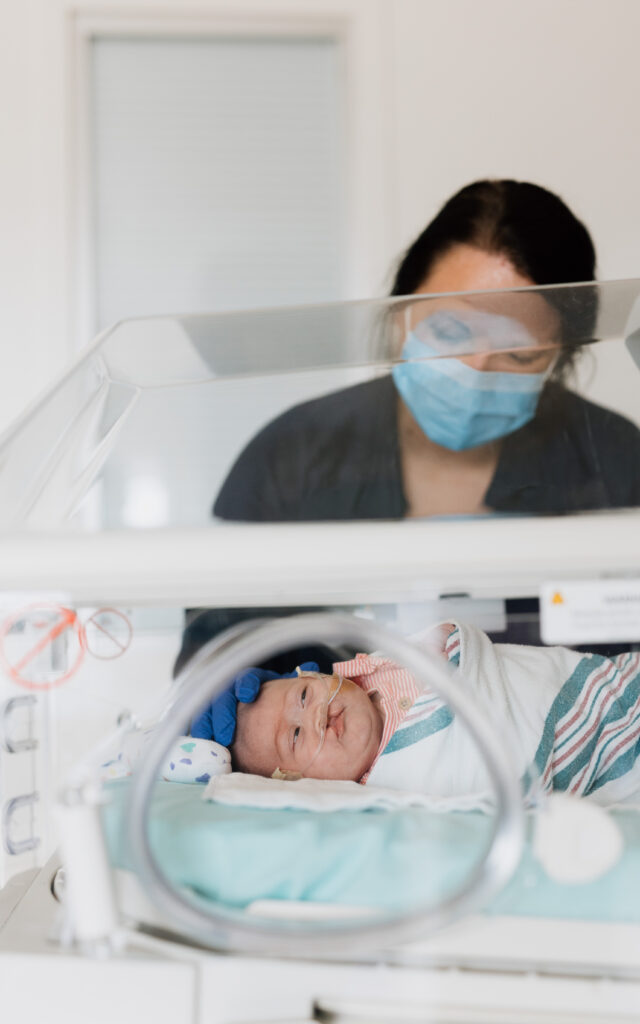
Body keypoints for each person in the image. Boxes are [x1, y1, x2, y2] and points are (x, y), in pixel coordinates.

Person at [214, 179, 640, 522]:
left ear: (562, 357)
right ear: (399, 313)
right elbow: (225, 627)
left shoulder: (616, 461)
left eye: (519, 354)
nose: (475, 369)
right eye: (451, 333)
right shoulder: (293, 455)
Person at [224, 622, 640, 805]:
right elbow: (498, 774)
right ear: (303, 785)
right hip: (595, 748)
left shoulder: (376, 666)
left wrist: (448, 639)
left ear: (313, 675)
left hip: (607, 683)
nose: (314, 717)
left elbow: (466, 647)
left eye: (302, 696)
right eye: (295, 738)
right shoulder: (396, 781)